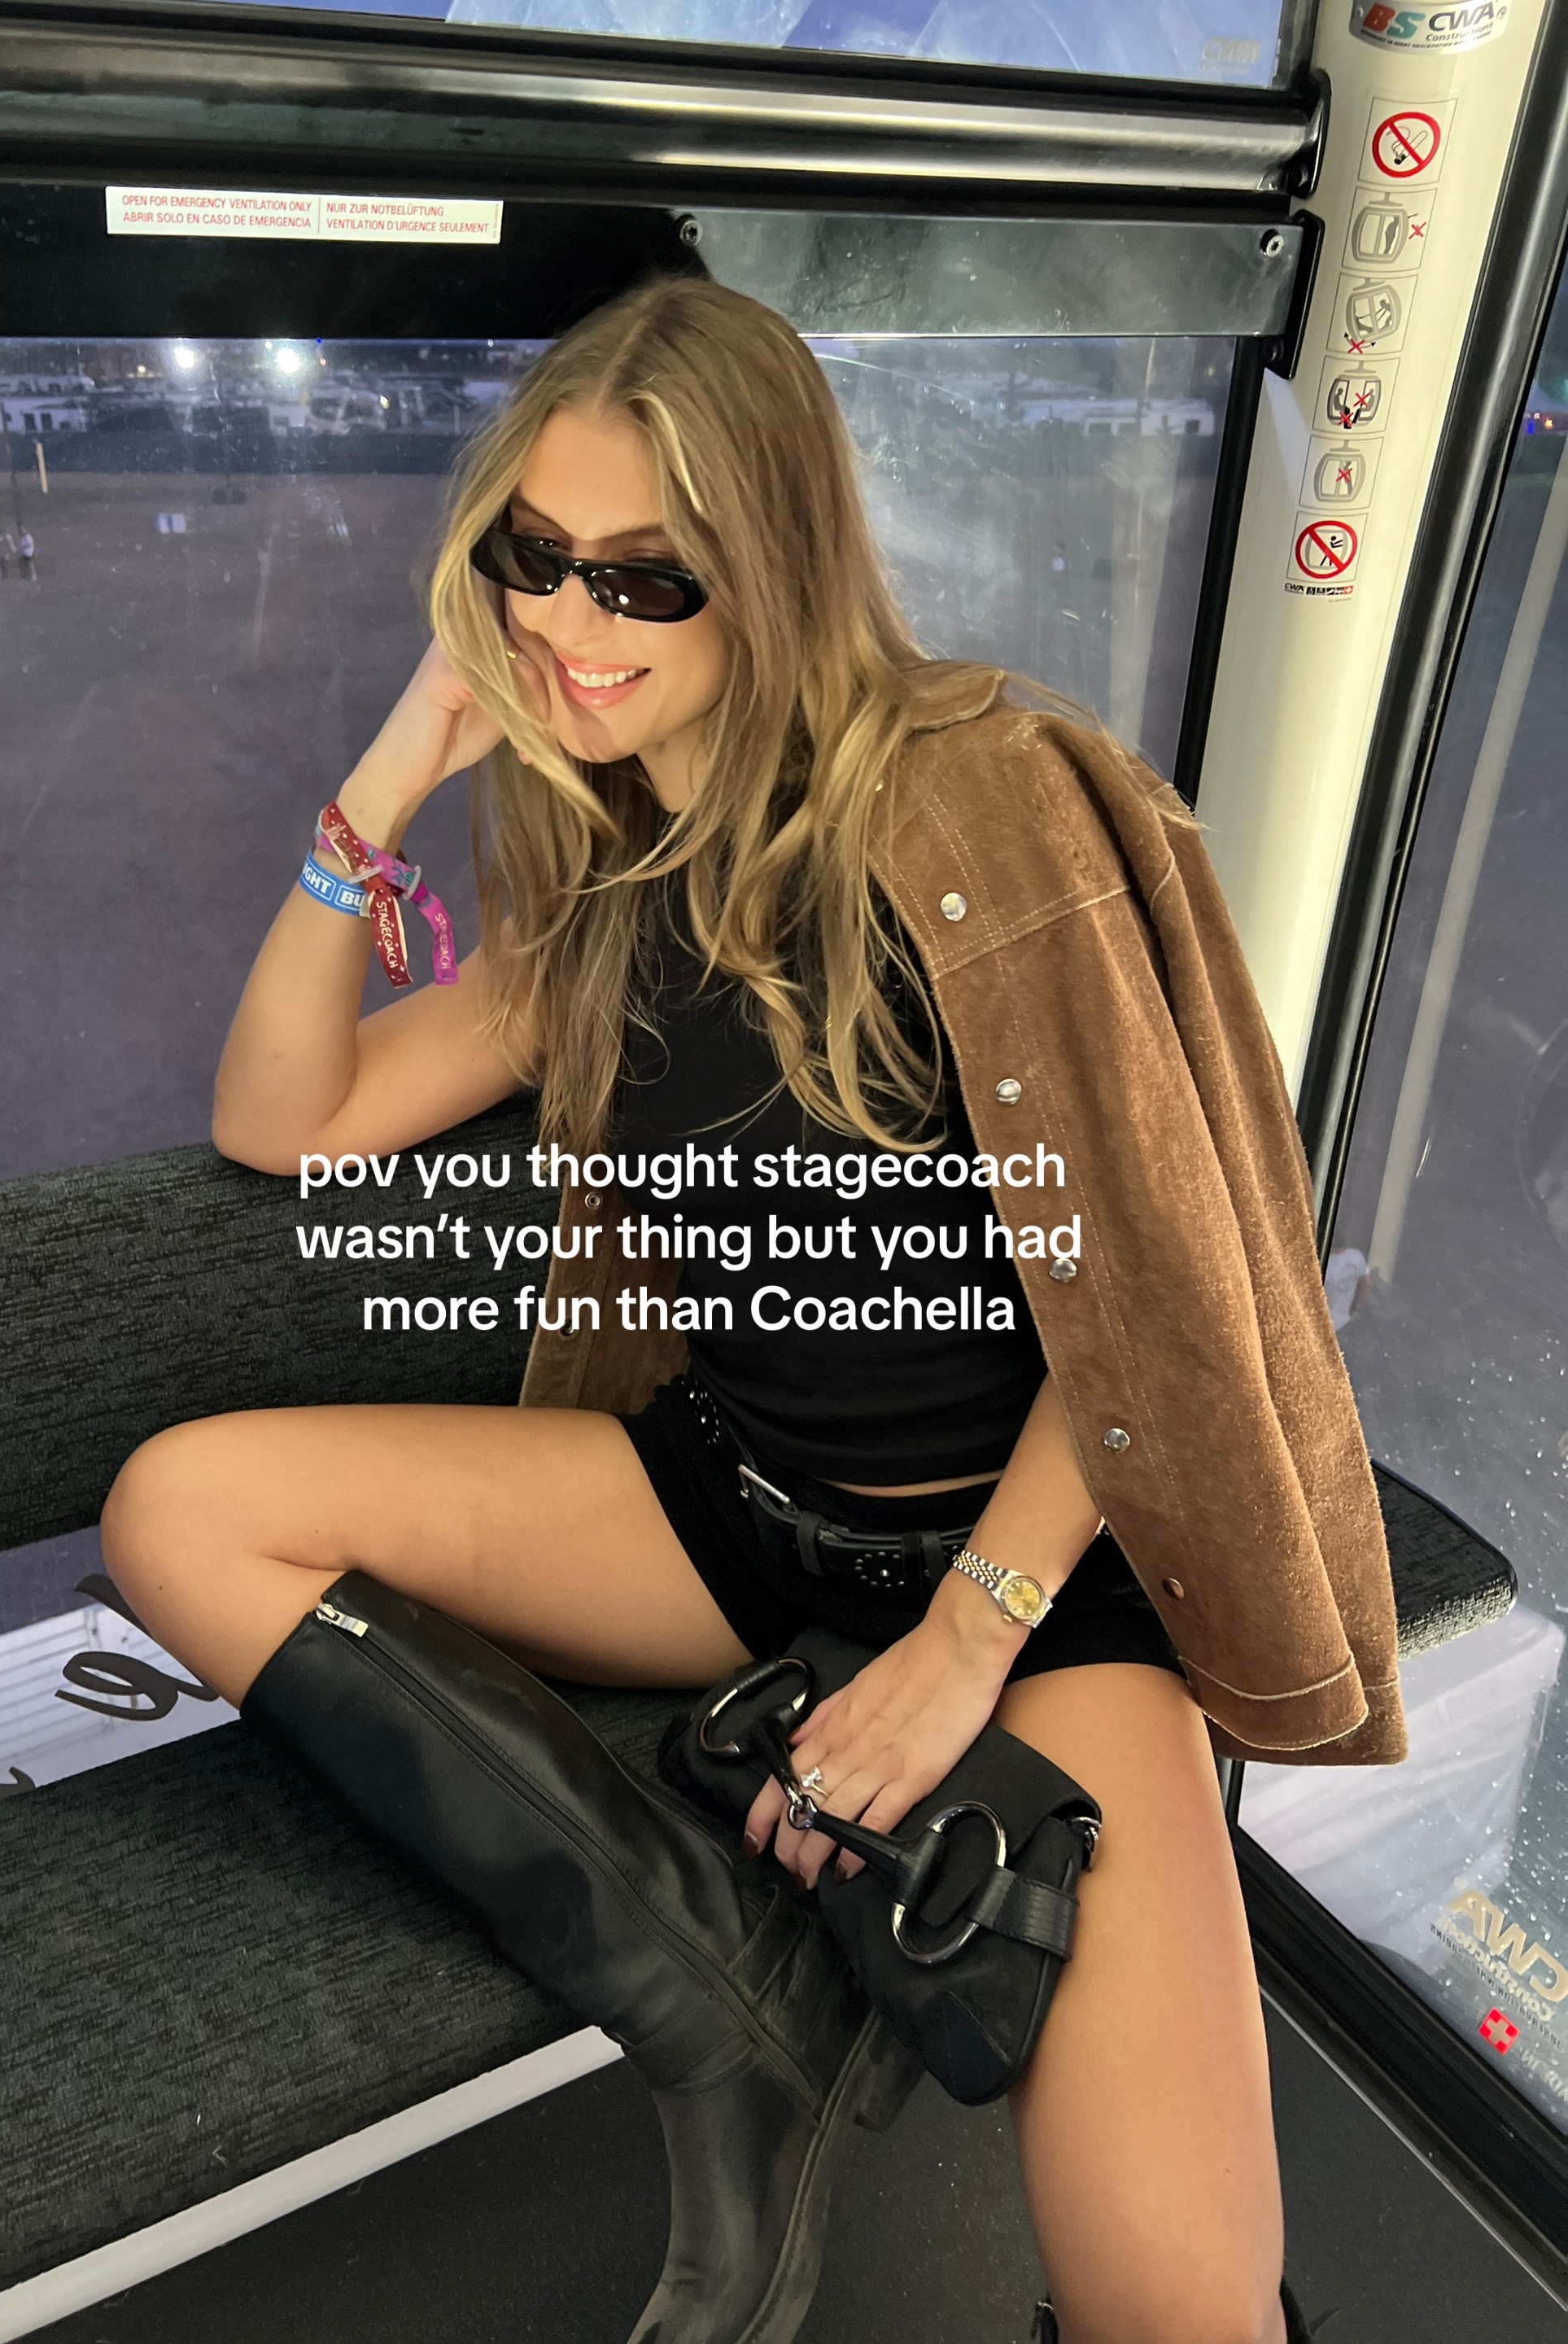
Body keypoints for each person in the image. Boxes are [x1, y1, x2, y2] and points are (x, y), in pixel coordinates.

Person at [101, 278, 1402, 2344]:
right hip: (738, 1510)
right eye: (531, 556)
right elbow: (288, 1119)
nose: (568, 621)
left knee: (1184, 2314)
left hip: (1039, 1573)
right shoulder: (606, 887)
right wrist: (396, 769)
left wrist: (964, 1642)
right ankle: (710, 2002)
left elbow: (1152, 1298)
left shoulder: (983, 803)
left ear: (775, 570)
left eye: (644, 578)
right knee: (184, 1508)